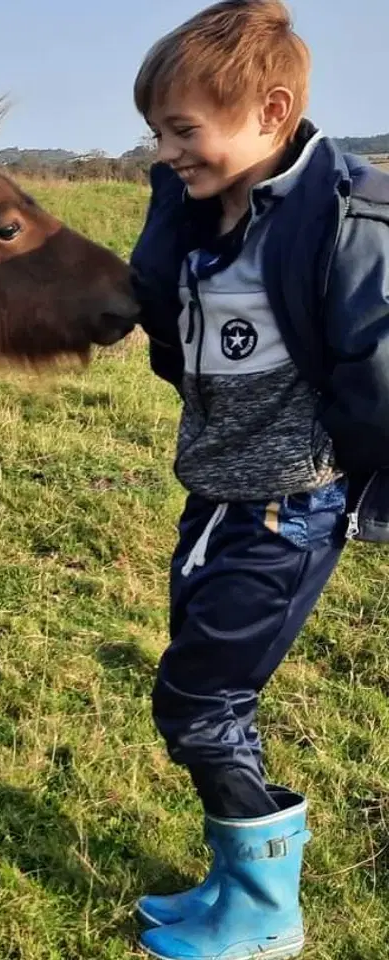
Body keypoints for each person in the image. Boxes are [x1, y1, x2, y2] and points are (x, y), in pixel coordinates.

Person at [127, 2, 389, 958]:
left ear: (271, 111)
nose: (164, 151)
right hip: (217, 493)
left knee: (200, 702)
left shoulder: (349, 217)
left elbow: (378, 368)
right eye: (156, 130)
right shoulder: (200, 208)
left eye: (182, 130)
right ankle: (233, 883)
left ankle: (268, 913)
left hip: (288, 507)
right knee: (202, 690)